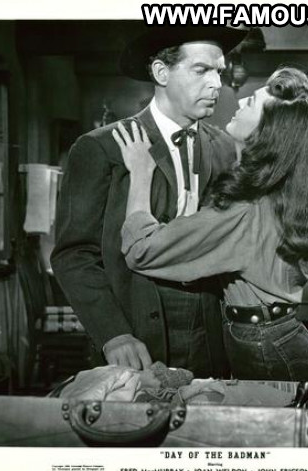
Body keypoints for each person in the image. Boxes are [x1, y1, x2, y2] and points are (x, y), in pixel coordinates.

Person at [51, 26, 247, 378]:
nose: (216, 84)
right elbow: (73, 255)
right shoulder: (101, 147)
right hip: (134, 332)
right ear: (161, 72)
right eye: (201, 70)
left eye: (219, 71)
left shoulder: (222, 148)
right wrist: (114, 334)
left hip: (210, 333)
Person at [115, 67, 308, 381]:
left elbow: (141, 251)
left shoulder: (245, 210)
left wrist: (140, 173)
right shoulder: (279, 191)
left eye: (252, 102)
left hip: (266, 349)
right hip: (280, 339)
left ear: (267, 131)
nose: (240, 101)